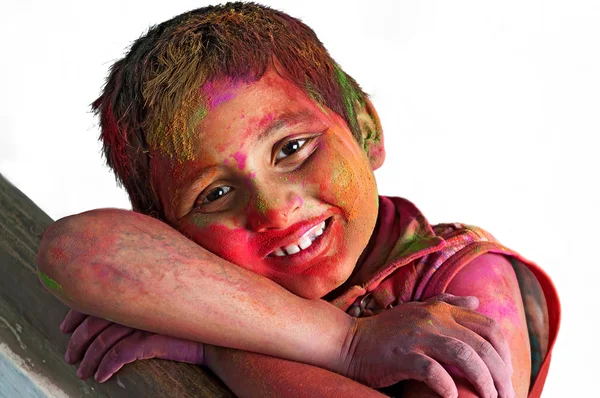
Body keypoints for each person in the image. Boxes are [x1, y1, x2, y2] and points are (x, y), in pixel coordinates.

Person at [36, 2, 559, 397]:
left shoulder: (464, 284)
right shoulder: (205, 282)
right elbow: (71, 252)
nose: (275, 211)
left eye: (292, 149)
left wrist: (222, 348)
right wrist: (338, 342)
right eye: (214, 194)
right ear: (171, 237)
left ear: (365, 129)